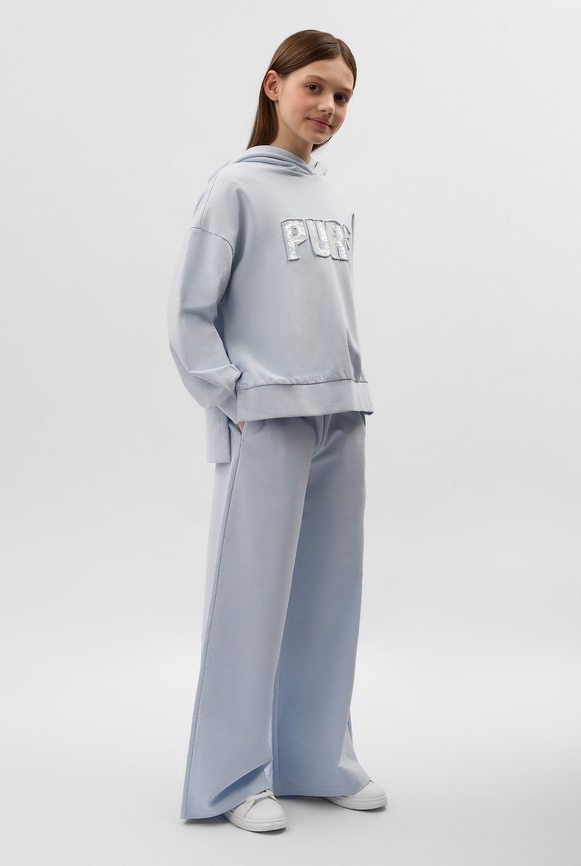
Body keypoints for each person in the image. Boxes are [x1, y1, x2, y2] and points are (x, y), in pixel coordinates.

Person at [166, 28, 388, 833]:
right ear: (274, 86)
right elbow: (190, 313)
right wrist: (232, 395)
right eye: (315, 87)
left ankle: (316, 759)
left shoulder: (332, 196)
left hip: (340, 413)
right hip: (265, 418)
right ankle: (231, 779)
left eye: (342, 97)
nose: (328, 106)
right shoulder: (234, 188)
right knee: (249, 599)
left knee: (330, 598)